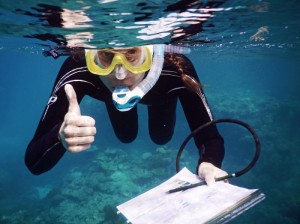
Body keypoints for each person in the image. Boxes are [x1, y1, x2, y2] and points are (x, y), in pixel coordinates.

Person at [25, 44, 227, 186]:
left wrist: (210, 163)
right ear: (91, 55)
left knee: (161, 137)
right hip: (114, 99)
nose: (120, 74)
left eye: (132, 53)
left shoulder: (175, 69)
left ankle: (166, 100)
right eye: (106, 56)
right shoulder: (77, 68)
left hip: (161, 96)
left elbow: (210, 137)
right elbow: (34, 162)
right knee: (126, 135)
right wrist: (59, 136)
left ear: (152, 53)